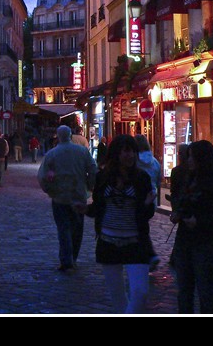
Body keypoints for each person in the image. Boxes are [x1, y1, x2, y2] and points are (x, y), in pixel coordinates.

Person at [77, 134, 154, 313]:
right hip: (108, 242)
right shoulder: (103, 178)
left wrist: (147, 205)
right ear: (116, 153)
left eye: (133, 152)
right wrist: (85, 209)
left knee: (140, 292)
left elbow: (145, 215)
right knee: (118, 296)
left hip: (135, 242)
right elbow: (99, 208)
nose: (131, 156)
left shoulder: (141, 178)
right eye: (126, 151)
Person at [170, 140, 213, 314]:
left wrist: (200, 221)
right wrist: (178, 214)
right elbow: (182, 204)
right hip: (184, 240)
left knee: (205, 290)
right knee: (184, 290)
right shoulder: (188, 180)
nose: (188, 161)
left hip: (203, 241)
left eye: (192, 157)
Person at [37, 125, 97, 272]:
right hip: (78, 195)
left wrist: (49, 189)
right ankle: (73, 257)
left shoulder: (52, 154)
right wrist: (90, 185)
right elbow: (92, 168)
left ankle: (66, 259)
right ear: (70, 135)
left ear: (58, 136)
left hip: (60, 197)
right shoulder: (82, 152)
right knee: (77, 229)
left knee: (63, 228)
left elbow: (42, 176)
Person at [134, 134, 162, 271]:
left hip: (138, 199)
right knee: (141, 227)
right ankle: (147, 256)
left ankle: (147, 256)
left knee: (139, 229)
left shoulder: (134, 162)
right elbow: (158, 181)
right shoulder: (155, 161)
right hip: (152, 199)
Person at [167, 143, 191, 266]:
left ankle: (177, 258)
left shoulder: (178, 171)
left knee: (182, 233)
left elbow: (174, 190)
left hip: (183, 204)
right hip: (185, 204)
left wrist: (175, 208)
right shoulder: (186, 170)